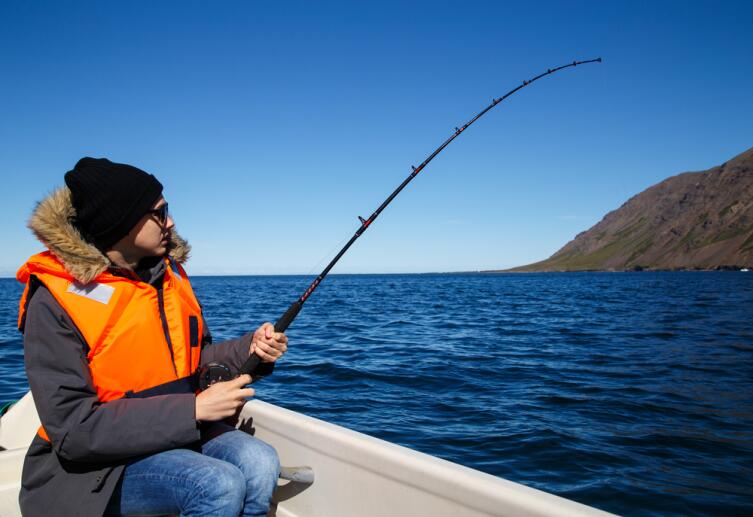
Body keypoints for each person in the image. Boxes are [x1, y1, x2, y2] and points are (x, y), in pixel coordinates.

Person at [16, 157, 288, 517]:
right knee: (216, 484)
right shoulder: (53, 301)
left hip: (171, 435)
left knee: (259, 461)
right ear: (122, 222)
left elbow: (195, 362)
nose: (170, 222)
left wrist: (251, 348)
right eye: (160, 213)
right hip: (92, 470)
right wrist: (192, 411)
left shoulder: (169, 277)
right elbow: (74, 432)